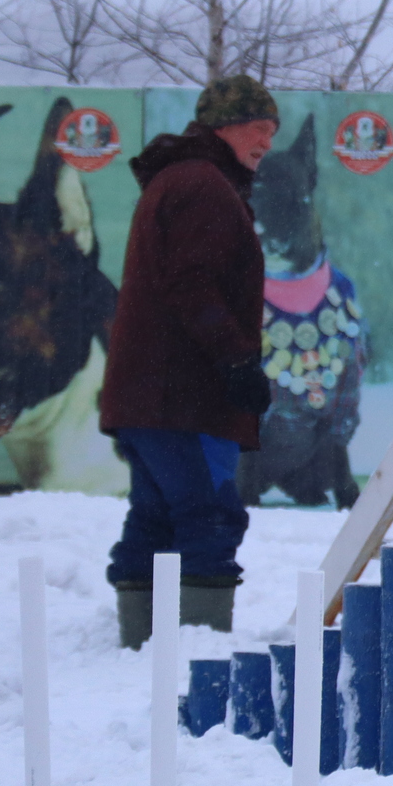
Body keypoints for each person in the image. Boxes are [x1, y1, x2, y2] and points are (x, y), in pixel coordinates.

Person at [100, 75, 278, 648]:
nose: (267, 142)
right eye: (260, 128)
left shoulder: (178, 180)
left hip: (146, 393)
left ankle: (140, 649)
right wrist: (236, 362)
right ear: (226, 124)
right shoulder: (205, 187)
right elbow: (192, 284)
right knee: (211, 513)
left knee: (154, 515)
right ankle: (200, 659)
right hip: (182, 398)